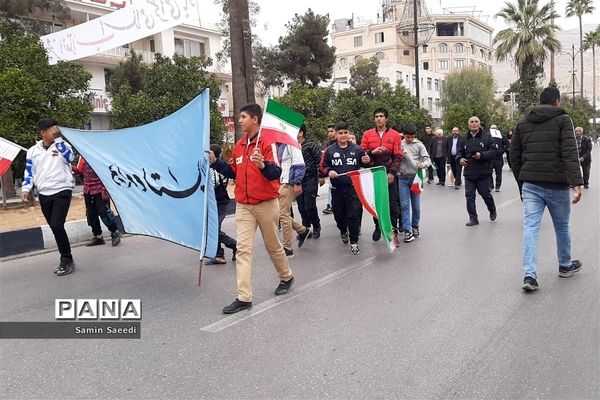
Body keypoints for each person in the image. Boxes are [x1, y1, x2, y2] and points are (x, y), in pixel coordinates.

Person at [209, 103, 294, 314]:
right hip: (244, 206)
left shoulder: (267, 143)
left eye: (243, 117)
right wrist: (215, 162)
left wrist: (263, 165)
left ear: (255, 119)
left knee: (273, 246)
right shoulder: (239, 145)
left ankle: (286, 276)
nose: (239, 120)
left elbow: (276, 173)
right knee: (243, 250)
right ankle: (244, 297)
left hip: (266, 204)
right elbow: (233, 172)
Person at [510, 86, 583, 292]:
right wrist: (576, 184)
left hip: (530, 184)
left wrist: (521, 182)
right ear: (557, 102)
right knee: (562, 226)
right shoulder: (563, 120)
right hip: (557, 185)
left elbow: (513, 155)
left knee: (531, 228)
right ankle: (565, 265)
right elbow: (569, 152)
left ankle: (530, 275)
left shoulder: (523, 123)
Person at [21, 118, 75, 276]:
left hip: (62, 190)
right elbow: (29, 172)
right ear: (43, 132)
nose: (55, 131)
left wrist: (59, 140)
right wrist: (26, 189)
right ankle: (65, 257)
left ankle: (67, 259)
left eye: (56, 128)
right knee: (54, 226)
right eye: (52, 129)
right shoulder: (33, 151)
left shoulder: (63, 146)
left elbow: (70, 158)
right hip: (44, 193)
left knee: (57, 224)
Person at [321, 122, 370, 255]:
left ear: (349, 134)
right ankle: (343, 230)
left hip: (353, 189)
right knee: (339, 217)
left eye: (345, 133)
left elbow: (365, 166)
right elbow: (322, 167)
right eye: (340, 133)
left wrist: (366, 161)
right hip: (337, 190)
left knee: (353, 215)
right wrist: (329, 171)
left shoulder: (358, 149)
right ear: (336, 135)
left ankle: (354, 242)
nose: (343, 135)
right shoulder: (329, 151)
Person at [360, 107, 402, 241]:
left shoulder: (395, 135)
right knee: (377, 202)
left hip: (389, 172)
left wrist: (392, 173)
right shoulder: (367, 134)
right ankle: (378, 226)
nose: (378, 119)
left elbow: (398, 156)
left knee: (392, 203)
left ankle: (392, 229)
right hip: (374, 172)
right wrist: (373, 151)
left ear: (386, 119)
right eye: (376, 116)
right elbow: (362, 152)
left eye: (381, 116)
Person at [457, 116, 499, 226]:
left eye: (476, 122)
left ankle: (492, 209)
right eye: (472, 122)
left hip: (483, 173)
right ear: (468, 124)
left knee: (485, 194)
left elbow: (494, 152)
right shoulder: (464, 139)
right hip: (469, 173)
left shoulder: (487, 137)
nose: (474, 123)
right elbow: (459, 153)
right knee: (469, 196)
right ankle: (473, 218)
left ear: (479, 124)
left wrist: (482, 155)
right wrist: (460, 159)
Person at [72, 157, 122, 247]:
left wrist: (105, 191)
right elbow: (79, 170)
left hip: (100, 189)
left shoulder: (97, 155)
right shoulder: (82, 157)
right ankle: (98, 236)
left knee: (104, 213)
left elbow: (106, 173)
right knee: (91, 214)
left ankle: (115, 232)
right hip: (88, 189)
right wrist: (67, 164)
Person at [277, 136, 311, 258]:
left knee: (283, 215)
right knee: (280, 214)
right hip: (277, 183)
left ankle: (287, 248)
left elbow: (299, 164)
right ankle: (303, 230)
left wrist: (297, 182)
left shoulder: (291, 143)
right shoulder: (276, 144)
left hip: (288, 183)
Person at [397, 124, 431, 242]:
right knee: (404, 205)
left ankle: (415, 226)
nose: (409, 139)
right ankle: (407, 230)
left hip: (416, 178)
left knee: (416, 206)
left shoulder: (419, 145)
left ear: (414, 136)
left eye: (411, 137)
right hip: (402, 178)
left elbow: (427, 160)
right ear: (403, 135)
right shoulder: (400, 144)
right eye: (407, 137)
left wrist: (423, 164)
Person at [204, 144, 237, 265]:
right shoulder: (207, 167)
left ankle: (235, 245)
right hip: (210, 203)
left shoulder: (220, 168)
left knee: (214, 229)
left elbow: (216, 182)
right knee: (211, 228)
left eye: (210, 153)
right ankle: (219, 255)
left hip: (221, 202)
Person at [296, 124, 322, 238]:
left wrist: (321, 176)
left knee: (309, 205)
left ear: (301, 133)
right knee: (301, 206)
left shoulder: (310, 145)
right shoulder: (292, 147)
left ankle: (316, 225)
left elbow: (320, 161)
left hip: (311, 178)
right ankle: (305, 229)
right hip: (297, 180)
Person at [488, 124, 509, 192]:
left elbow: (507, 144)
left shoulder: (501, 136)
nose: (493, 129)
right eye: (492, 128)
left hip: (498, 157)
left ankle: (497, 186)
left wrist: (502, 150)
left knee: (498, 173)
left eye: (494, 128)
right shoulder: (488, 136)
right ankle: (491, 186)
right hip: (490, 157)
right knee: (489, 172)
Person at [322, 123, 337, 215]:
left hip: (341, 169)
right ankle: (330, 205)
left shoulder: (340, 141)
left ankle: (331, 205)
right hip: (331, 170)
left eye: (332, 131)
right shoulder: (328, 144)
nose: (330, 133)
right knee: (331, 187)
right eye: (328, 132)